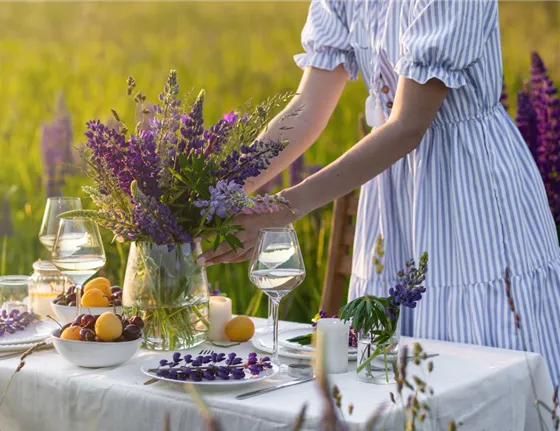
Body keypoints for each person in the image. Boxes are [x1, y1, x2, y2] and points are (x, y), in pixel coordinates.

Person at [198, 0, 560, 387]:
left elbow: (407, 124)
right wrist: (215, 196)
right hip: (390, 195)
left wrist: (281, 209)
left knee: (481, 364)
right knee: (383, 373)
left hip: (470, 189)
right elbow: (305, 108)